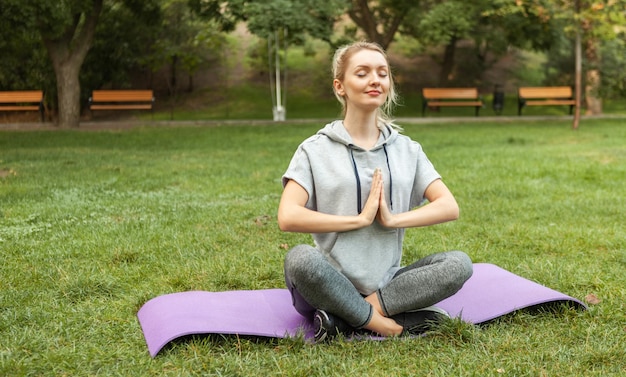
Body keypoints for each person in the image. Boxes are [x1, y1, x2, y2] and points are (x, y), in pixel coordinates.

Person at [277, 41, 473, 341]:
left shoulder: (407, 149)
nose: (375, 80)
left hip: (388, 284)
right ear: (340, 86)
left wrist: (394, 219)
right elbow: (287, 216)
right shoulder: (314, 150)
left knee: (459, 264)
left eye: (382, 73)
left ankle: (347, 319)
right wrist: (357, 220)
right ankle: (383, 323)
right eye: (362, 73)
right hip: (327, 281)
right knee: (301, 260)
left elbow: (448, 206)